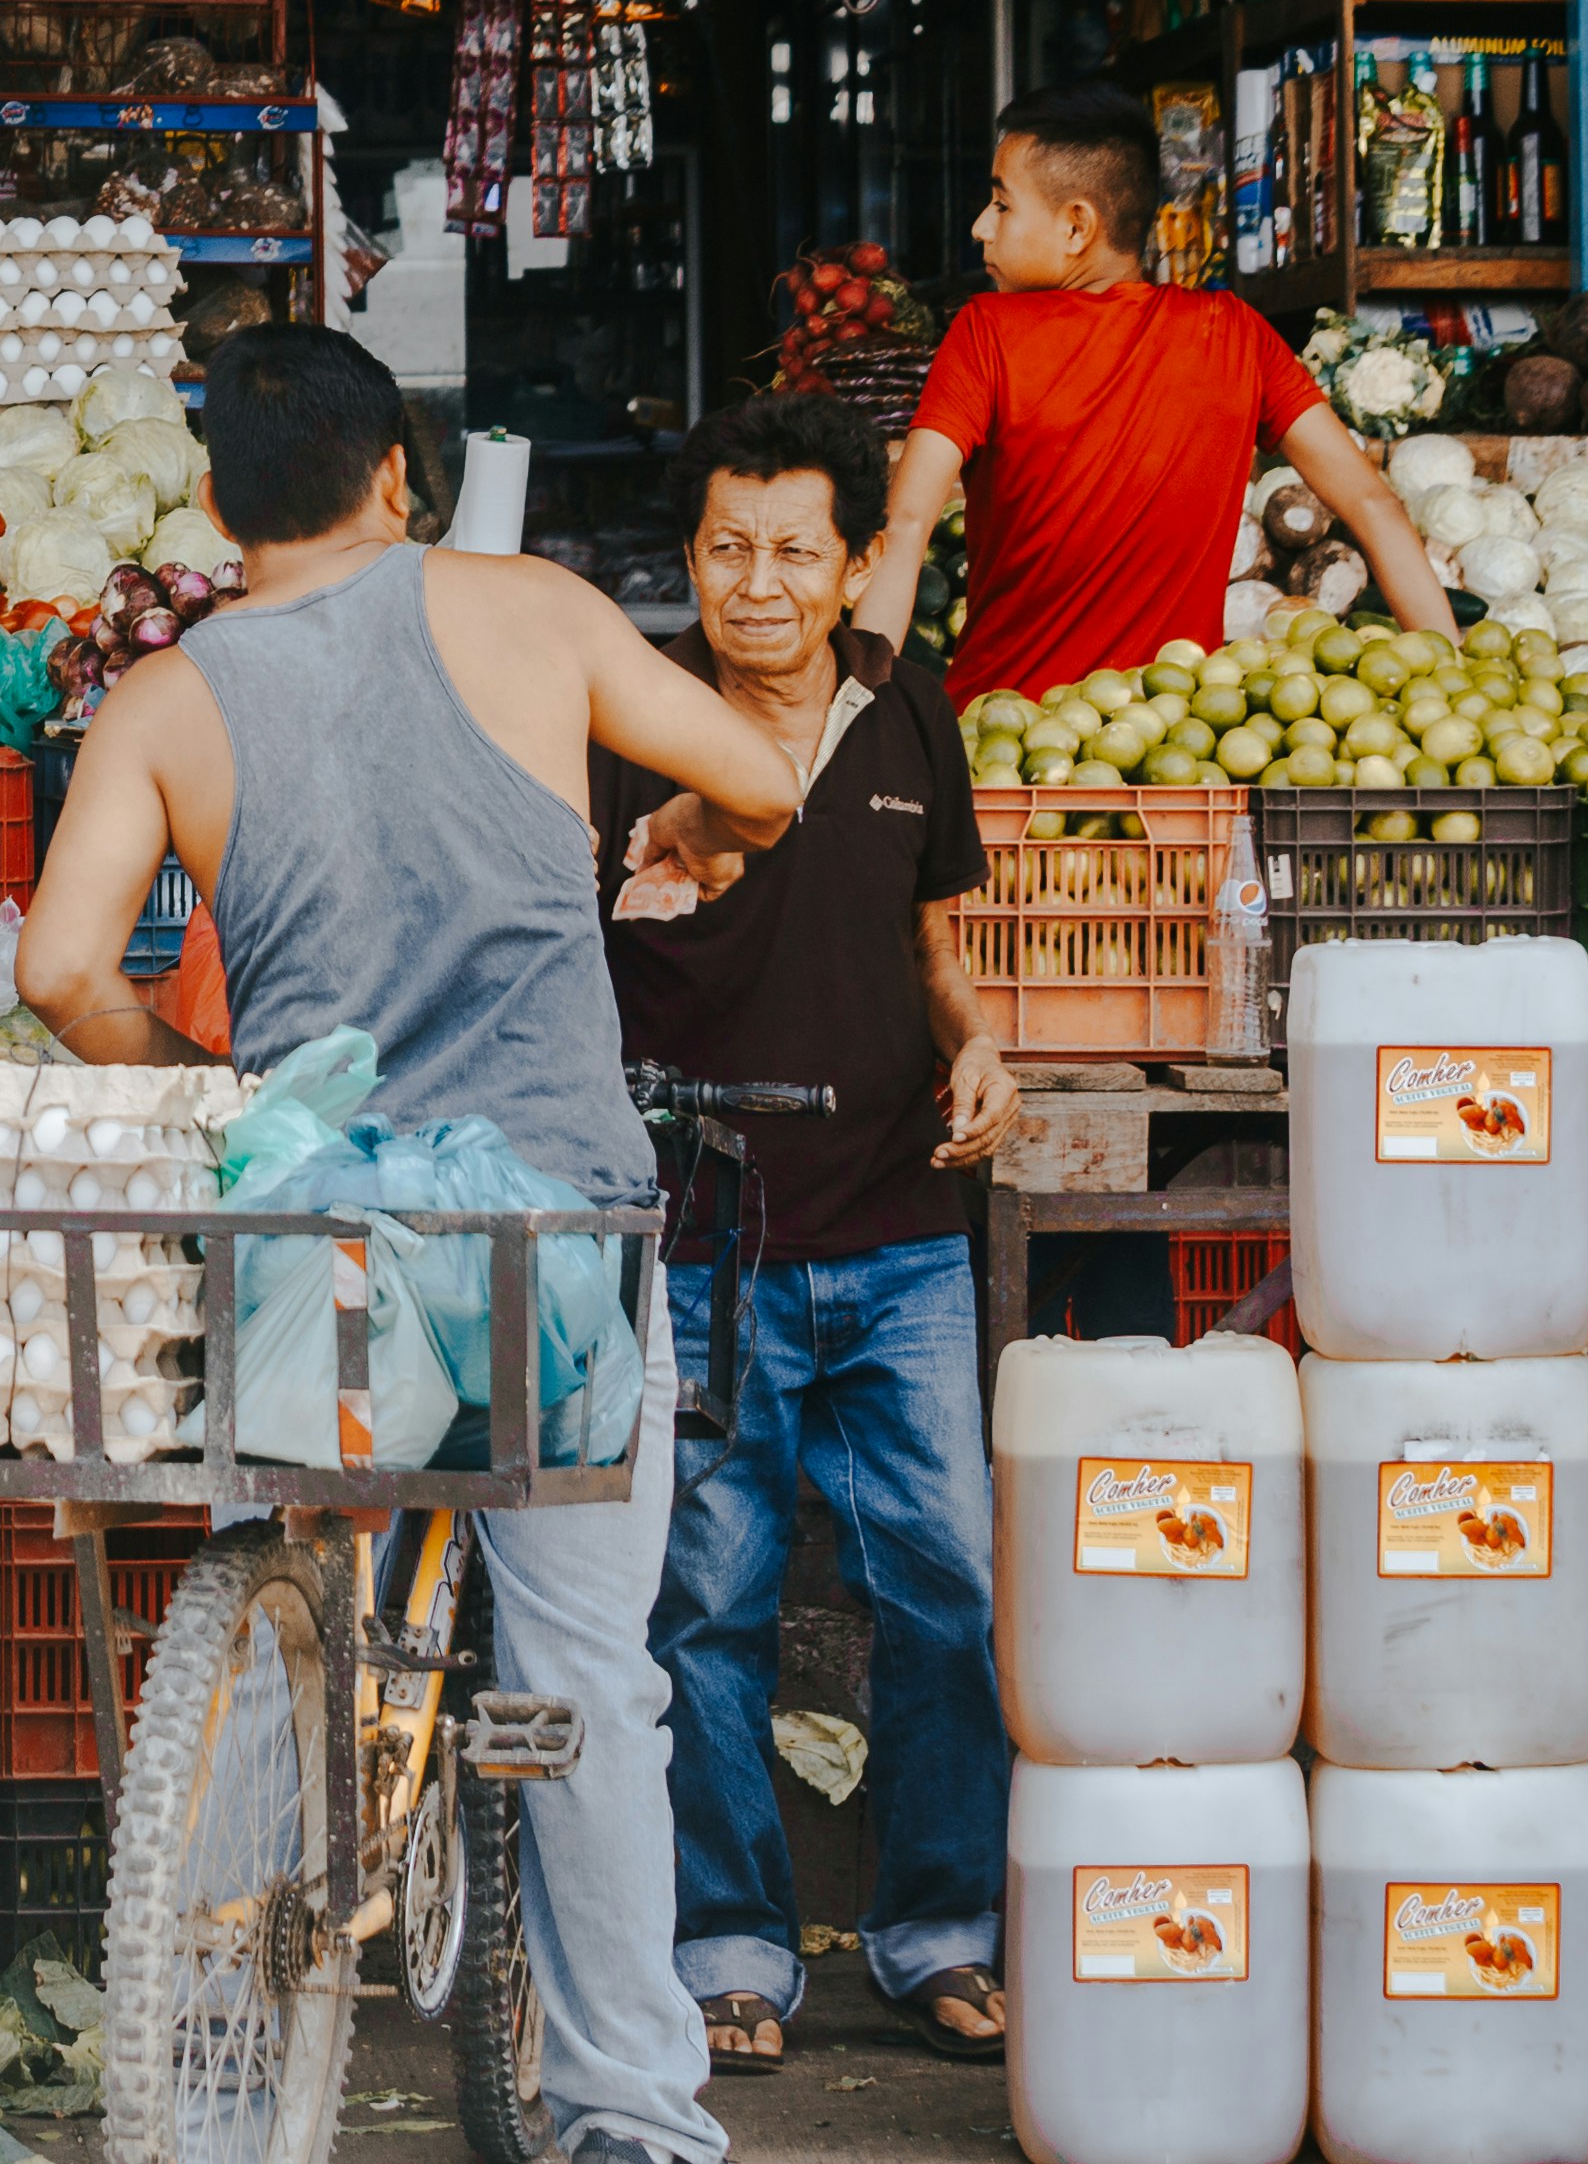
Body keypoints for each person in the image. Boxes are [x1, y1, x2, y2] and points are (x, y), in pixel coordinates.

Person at [19, 328, 807, 2164]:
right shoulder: (525, 609)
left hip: (320, 1238)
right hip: (541, 1236)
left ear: (215, 504)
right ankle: (632, 2114)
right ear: (396, 475)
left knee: (300, 1553)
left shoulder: (165, 693)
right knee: (584, 1680)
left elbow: (62, 972)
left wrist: (219, 1084)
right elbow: (760, 779)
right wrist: (687, 817)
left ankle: (243, 1940)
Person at [595, 396, 1018, 2079]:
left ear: (853, 562)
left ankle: (934, 1931)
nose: (753, 582)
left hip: (900, 1229)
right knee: (705, 1605)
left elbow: (927, 945)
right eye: (722, 547)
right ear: (685, 559)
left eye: (790, 550)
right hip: (704, 1240)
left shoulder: (909, 709)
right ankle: (728, 1945)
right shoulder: (629, 722)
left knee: (946, 1592)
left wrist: (975, 1035)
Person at [855, 80, 1454, 702]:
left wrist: (856, 715)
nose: (982, 226)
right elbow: (1374, 508)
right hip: (1177, 748)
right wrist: (1454, 686)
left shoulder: (986, 333)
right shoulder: (1235, 335)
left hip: (1000, 742)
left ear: (1076, 227)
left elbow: (905, 526)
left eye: (1002, 205)